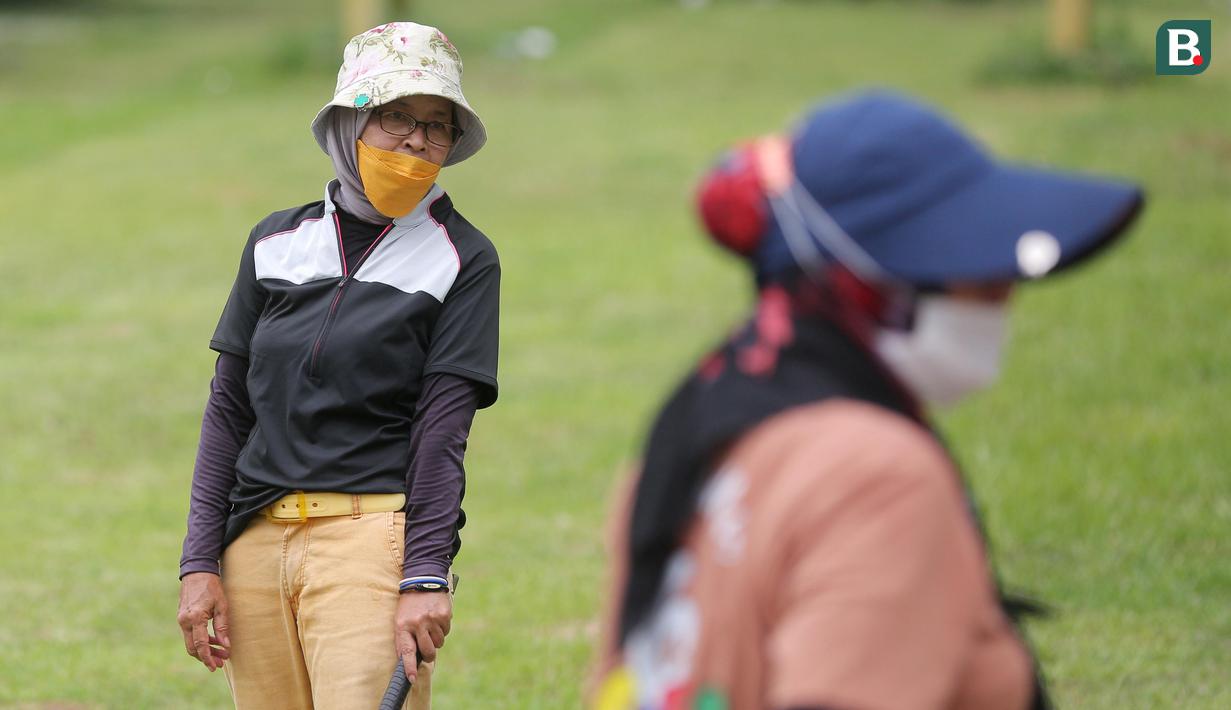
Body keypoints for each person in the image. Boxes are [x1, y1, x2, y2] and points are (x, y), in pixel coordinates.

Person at [592, 91, 1144, 710]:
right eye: (978, 273)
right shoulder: (876, 479)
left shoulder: (698, 425)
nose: (1004, 297)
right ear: (874, 284)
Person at [175, 22, 499, 709]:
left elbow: (442, 432)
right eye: (396, 117)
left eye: (437, 125)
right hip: (253, 546)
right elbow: (229, 409)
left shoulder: (461, 259)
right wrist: (200, 561)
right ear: (349, 122)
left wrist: (425, 573)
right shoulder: (274, 243)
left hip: (369, 544)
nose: (417, 140)